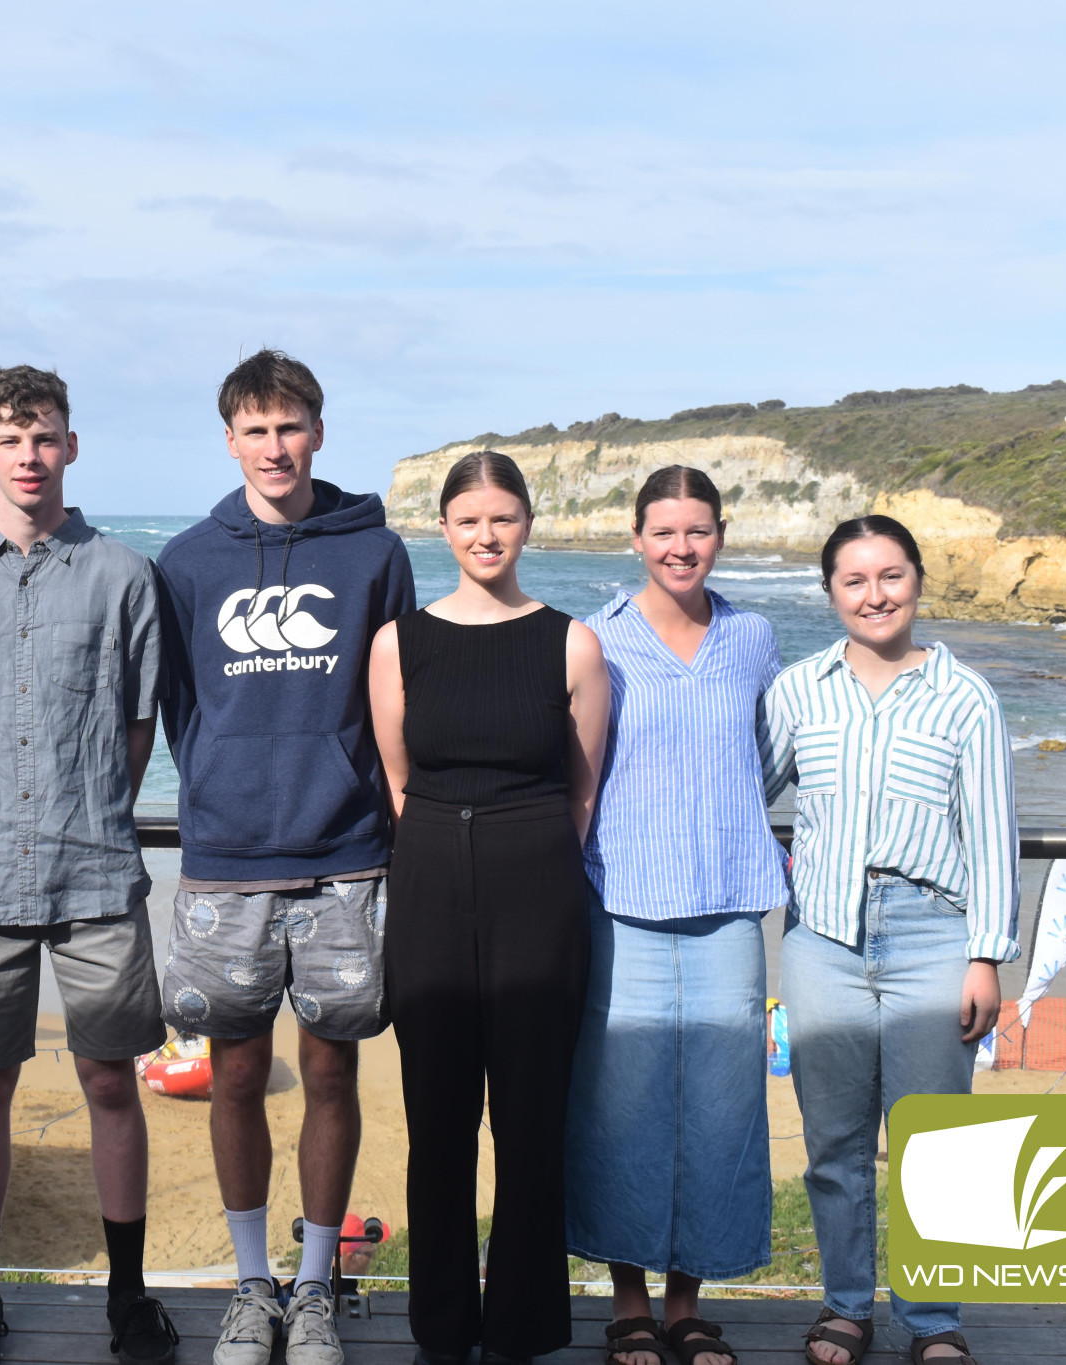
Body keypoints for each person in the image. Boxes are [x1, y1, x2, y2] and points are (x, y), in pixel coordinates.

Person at [155, 349, 415, 1365]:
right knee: (230, 1078)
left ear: (317, 432)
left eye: (289, 426)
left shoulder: (371, 554)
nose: (274, 446)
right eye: (254, 430)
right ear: (230, 441)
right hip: (225, 858)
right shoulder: (186, 562)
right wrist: (228, 780)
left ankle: (313, 1287)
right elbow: (181, 707)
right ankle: (249, 1283)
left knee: (329, 1074)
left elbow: (389, 700)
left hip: (345, 855)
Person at [0, 367, 175, 1365]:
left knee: (112, 1081)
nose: (28, 455)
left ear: (70, 446)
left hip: (95, 870)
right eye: (9, 439)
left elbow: (138, 724)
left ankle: (127, 1295)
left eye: (45, 437)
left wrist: (85, 810)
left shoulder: (122, 576)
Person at [366, 451, 610, 1365]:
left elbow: (581, 788)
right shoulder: (400, 642)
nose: (485, 535)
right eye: (468, 520)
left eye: (502, 518)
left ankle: (519, 1330)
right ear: (444, 529)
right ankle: (441, 1330)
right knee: (437, 1124)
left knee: (530, 1120)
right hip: (429, 874)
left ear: (527, 525)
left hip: (537, 881)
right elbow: (399, 776)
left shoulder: (571, 641)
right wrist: (451, 846)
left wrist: (522, 853)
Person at [764, 516, 1017, 1365]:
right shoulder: (798, 688)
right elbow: (738, 798)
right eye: (854, 580)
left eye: (891, 576)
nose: (875, 595)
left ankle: (935, 1320)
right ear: (830, 591)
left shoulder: (966, 696)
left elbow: (991, 835)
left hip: (933, 936)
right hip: (823, 938)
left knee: (934, 1137)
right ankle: (845, 1306)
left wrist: (988, 953)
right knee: (834, 1142)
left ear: (916, 579)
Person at [564, 468, 784, 1365]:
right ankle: (628, 1303)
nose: (681, 547)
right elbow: (577, 765)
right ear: (637, 536)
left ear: (720, 536)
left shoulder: (754, 635)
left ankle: (687, 1303)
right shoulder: (597, 640)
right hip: (621, 901)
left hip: (731, 901)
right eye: (664, 531)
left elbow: (766, 754)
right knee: (623, 1106)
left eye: (697, 531)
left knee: (723, 1107)